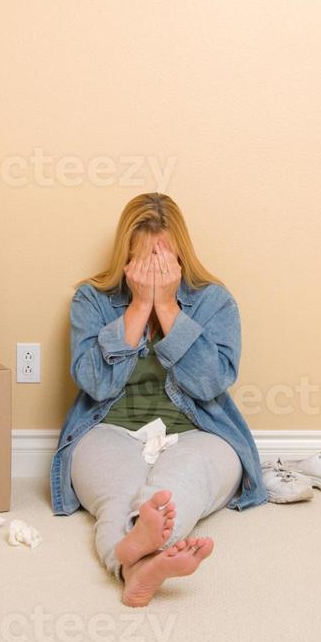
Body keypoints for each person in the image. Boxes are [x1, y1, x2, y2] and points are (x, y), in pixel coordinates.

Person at [50, 193, 265, 606]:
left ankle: (134, 559)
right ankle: (138, 564)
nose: (154, 269)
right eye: (144, 258)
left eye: (163, 259)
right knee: (120, 493)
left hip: (200, 432)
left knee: (178, 486)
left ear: (181, 254)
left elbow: (211, 382)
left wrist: (166, 306)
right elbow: (93, 383)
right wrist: (137, 308)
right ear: (125, 257)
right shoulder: (91, 300)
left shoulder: (214, 300)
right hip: (108, 429)